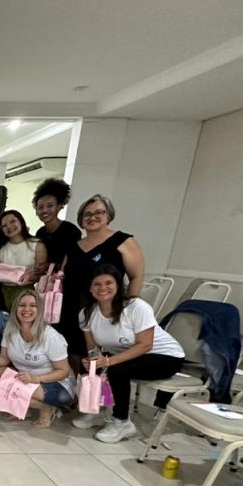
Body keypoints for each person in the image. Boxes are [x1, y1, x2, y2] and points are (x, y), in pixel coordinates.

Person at [75, 265, 185, 442]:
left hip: (165, 356)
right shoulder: (86, 313)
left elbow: (145, 345)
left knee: (117, 370)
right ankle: (96, 411)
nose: (103, 288)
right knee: (88, 366)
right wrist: (93, 359)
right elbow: (92, 346)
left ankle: (122, 422)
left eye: (108, 283)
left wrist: (109, 362)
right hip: (127, 354)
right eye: (97, 284)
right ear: (90, 288)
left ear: (118, 285)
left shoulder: (136, 307)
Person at [62, 194, 146, 358]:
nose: (92, 217)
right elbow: (63, 275)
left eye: (98, 212)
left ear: (108, 216)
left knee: (100, 356)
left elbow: (136, 276)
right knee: (71, 352)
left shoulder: (123, 241)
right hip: (71, 309)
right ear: (80, 219)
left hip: (106, 309)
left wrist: (127, 309)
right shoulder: (72, 246)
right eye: (87, 214)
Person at [0, 290, 75, 427]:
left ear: (40, 309)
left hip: (58, 385)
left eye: (33, 305)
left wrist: (36, 378)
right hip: (26, 379)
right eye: (22, 305)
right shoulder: (10, 328)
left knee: (16, 389)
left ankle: (47, 408)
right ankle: (23, 408)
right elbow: (4, 358)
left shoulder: (51, 336)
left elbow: (63, 371)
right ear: (15, 308)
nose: (27, 309)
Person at [0, 210, 47, 308]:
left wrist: (30, 277)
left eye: (13, 221)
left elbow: (40, 274)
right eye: (4, 225)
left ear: (21, 222)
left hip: (26, 293)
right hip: (2, 293)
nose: (9, 226)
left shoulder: (37, 245)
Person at [32, 178, 81, 270]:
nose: (45, 210)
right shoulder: (40, 233)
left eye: (50, 206)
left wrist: (48, 266)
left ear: (59, 206)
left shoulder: (71, 231)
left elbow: (74, 262)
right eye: (40, 207)